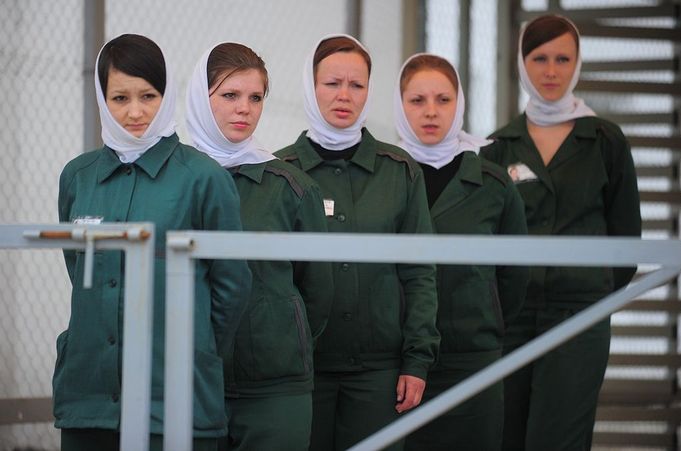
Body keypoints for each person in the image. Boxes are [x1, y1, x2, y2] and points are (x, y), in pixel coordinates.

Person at [55, 34, 251, 451]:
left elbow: (231, 283)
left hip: (176, 398)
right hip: (89, 399)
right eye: (119, 98)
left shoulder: (202, 178)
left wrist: (193, 346)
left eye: (149, 95)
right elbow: (79, 270)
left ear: (168, 94)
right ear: (101, 98)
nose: (135, 111)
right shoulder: (78, 176)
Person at [480, 15, 641, 451]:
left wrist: (591, 292)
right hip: (510, 320)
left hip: (579, 318)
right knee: (504, 436)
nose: (551, 71)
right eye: (539, 58)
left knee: (559, 440)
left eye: (563, 59)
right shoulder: (497, 147)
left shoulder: (606, 141)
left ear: (577, 64)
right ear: (521, 63)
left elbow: (627, 241)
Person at [275, 34, 440, 451]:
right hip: (300, 370)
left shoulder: (400, 171)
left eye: (357, 85)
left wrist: (417, 360)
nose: (344, 96)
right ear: (310, 88)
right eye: (332, 84)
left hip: (379, 373)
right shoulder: (280, 172)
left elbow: (420, 271)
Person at [185, 42, 334, 451]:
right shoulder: (174, 180)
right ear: (201, 97)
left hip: (274, 386)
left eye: (255, 97)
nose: (244, 108)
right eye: (230, 95)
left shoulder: (292, 187)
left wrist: (282, 335)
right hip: (188, 380)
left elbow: (316, 289)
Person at [395, 53, 529, 451]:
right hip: (397, 360)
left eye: (443, 99)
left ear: (460, 103)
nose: (431, 112)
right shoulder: (385, 175)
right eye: (417, 101)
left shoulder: (492, 183)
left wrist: (481, 317)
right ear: (399, 105)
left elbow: (513, 276)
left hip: (473, 358)